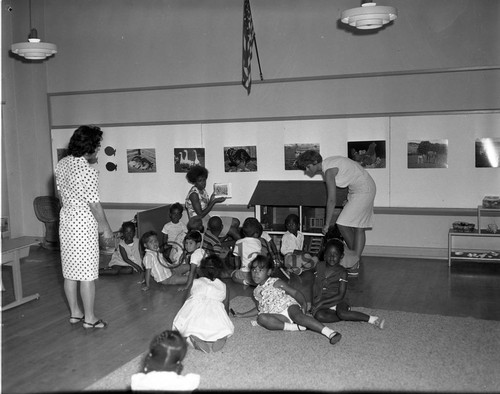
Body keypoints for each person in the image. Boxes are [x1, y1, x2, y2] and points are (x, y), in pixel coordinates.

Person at [55, 125, 113, 329]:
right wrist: (105, 227)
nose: (98, 149)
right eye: (97, 145)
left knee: (70, 272)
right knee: (87, 273)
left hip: (67, 222)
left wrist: (70, 212)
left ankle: (75, 313)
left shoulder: (62, 164)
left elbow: (61, 197)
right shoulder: (88, 171)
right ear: (89, 146)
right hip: (84, 224)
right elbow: (94, 204)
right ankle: (89, 318)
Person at [296, 150, 376, 276]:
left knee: (344, 224)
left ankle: (354, 261)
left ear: (315, 162)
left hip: (364, 190)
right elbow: (353, 174)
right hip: (359, 189)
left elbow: (331, 200)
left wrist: (327, 224)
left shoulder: (328, 171)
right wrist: (350, 198)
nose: (306, 170)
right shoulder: (329, 164)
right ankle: (354, 258)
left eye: (307, 167)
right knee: (358, 227)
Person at [232, 255, 342, 345]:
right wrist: (242, 314)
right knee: (261, 319)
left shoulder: (276, 282)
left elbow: (295, 292)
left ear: (269, 272)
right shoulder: (256, 291)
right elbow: (259, 308)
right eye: (254, 269)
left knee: (298, 316)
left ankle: (330, 333)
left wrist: (303, 303)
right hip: (278, 315)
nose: (256, 273)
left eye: (260, 270)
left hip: (289, 306)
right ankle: (296, 327)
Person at [311, 238, 385, 328]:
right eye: (329, 254)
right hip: (324, 298)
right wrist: (315, 300)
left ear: (341, 256)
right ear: (325, 255)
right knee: (319, 316)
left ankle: (371, 319)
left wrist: (321, 303)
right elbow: (315, 285)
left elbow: (341, 295)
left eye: (335, 254)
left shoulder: (343, 272)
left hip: (339, 300)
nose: (332, 257)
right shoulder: (319, 266)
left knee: (342, 313)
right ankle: (348, 316)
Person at [172, 255, 234, 353]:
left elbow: (186, 301)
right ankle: (222, 337)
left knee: (187, 324)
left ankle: (194, 336)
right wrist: (225, 319)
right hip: (214, 315)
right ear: (221, 270)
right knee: (224, 327)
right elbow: (226, 308)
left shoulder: (195, 282)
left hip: (195, 313)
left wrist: (184, 314)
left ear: (202, 269)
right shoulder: (224, 287)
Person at [130, 330, 200, 391]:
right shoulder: (185, 384)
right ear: (178, 362)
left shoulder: (138, 380)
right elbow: (194, 379)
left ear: (150, 355)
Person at [184, 165, 240, 241]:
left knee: (236, 222)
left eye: (204, 180)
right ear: (195, 182)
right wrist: (214, 202)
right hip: (199, 223)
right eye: (200, 181)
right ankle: (241, 248)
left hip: (207, 218)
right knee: (233, 231)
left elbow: (205, 207)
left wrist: (213, 198)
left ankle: (218, 243)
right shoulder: (194, 194)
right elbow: (200, 215)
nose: (203, 183)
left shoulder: (202, 190)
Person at [231, 217, 263, 286]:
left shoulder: (239, 242)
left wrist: (237, 268)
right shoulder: (258, 242)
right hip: (256, 273)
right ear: (256, 234)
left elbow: (236, 258)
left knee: (233, 276)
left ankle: (245, 282)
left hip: (243, 272)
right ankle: (255, 282)